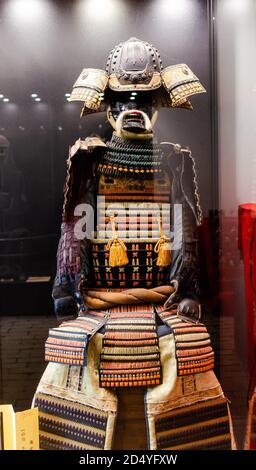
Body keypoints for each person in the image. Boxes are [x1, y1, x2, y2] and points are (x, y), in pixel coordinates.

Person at [33, 38, 235, 450]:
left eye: (142, 100)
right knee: (71, 361)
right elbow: (75, 229)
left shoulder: (173, 160)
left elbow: (185, 231)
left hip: (163, 298)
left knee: (187, 352)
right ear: (108, 106)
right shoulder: (90, 159)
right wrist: (66, 288)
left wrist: (190, 289)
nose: (132, 109)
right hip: (99, 300)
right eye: (123, 101)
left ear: (159, 105)